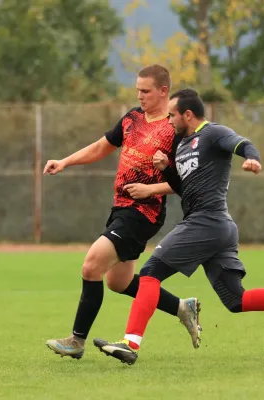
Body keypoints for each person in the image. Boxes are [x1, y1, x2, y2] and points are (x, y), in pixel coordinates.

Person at [93, 89, 264, 365]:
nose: (168, 121)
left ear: (188, 115)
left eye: (172, 115)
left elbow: (243, 144)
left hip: (206, 221)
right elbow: (183, 187)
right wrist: (167, 168)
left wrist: (253, 159)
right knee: (235, 300)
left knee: (149, 272)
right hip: (217, 227)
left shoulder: (213, 133)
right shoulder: (182, 144)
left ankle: (130, 343)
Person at [43, 66, 202, 360]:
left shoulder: (174, 129)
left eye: (146, 91)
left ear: (164, 92)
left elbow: (186, 182)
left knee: (91, 265)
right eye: (138, 90)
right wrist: (65, 161)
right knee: (119, 283)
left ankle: (76, 342)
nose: (139, 95)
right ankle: (182, 307)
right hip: (121, 208)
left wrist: (156, 181)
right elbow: (103, 147)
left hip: (144, 212)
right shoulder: (132, 118)